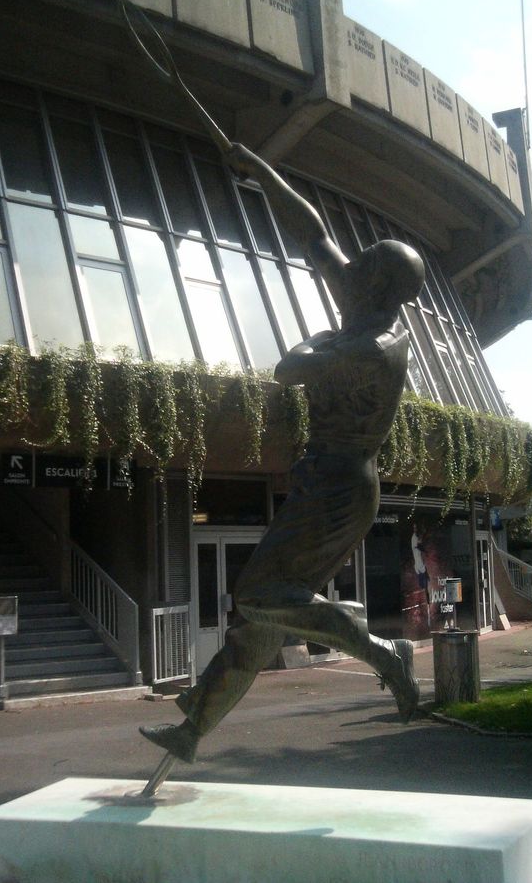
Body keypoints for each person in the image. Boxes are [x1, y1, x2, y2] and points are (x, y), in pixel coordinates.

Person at [140, 143, 425, 765]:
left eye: (364, 266)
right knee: (257, 627)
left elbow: (290, 368)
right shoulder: (362, 299)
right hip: (324, 478)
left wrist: (316, 340)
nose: (349, 271)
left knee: (257, 598)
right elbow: (314, 235)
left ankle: (384, 653)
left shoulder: (377, 346)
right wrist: (263, 173)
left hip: (342, 489)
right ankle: (191, 733)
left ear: (379, 285)